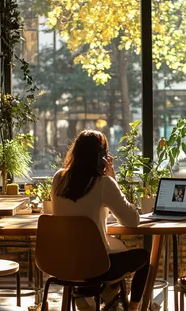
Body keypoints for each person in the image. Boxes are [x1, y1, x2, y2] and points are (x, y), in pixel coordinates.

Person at [51, 130, 149, 311]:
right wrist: (113, 178)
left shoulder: (58, 178)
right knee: (143, 256)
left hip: (62, 263)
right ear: (101, 156)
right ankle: (132, 308)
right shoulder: (103, 183)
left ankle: (88, 294)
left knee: (103, 251)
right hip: (96, 266)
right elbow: (132, 220)